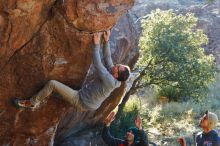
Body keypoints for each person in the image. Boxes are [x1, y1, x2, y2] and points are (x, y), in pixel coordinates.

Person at [13, 30, 130, 111]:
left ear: (115, 75)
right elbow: (108, 58)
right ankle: (43, 98)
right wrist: (106, 40)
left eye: (117, 67)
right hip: (87, 99)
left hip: (81, 101)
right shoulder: (114, 76)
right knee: (53, 92)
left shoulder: (110, 81)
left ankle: (31, 103)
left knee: (52, 84)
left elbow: (98, 64)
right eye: (118, 65)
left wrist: (95, 44)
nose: (116, 65)